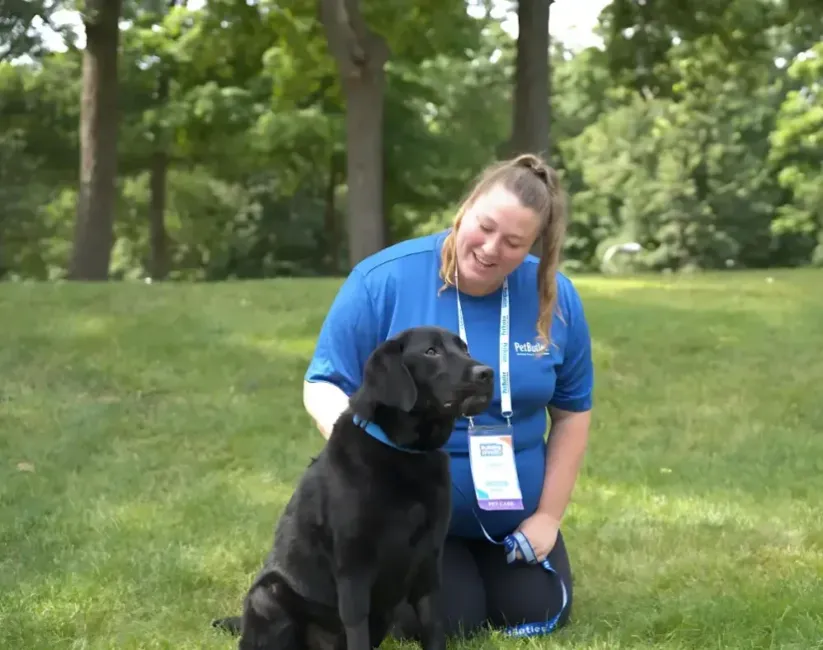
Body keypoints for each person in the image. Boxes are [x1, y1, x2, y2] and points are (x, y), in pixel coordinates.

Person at [301, 153, 594, 640]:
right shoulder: (383, 280)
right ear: (465, 209)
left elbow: (571, 414)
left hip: (511, 518)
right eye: (484, 227)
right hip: (405, 509)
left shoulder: (555, 297)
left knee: (534, 608)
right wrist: (364, 459)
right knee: (450, 621)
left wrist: (547, 517)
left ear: (533, 249)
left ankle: (498, 553)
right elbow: (323, 383)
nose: (490, 249)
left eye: (514, 243)